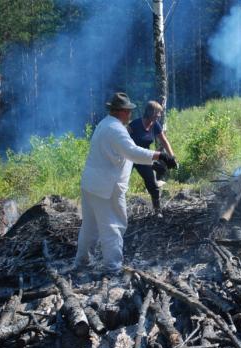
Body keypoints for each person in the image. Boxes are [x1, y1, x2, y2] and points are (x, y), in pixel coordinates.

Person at [75, 92, 177, 275]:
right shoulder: (116, 129)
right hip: (106, 187)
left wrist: (151, 163)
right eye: (128, 110)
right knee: (114, 225)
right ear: (121, 111)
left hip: (90, 184)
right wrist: (160, 155)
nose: (131, 114)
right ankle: (113, 268)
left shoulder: (105, 124)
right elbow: (131, 151)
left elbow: (120, 155)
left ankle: (82, 261)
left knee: (89, 227)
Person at [128, 101, 175, 213]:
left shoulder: (155, 125)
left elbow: (164, 141)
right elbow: (122, 140)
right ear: (152, 112)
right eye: (158, 113)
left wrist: (172, 156)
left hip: (144, 157)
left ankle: (157, 211)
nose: (159, 115)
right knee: (121, 182)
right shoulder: (134, 124)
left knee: (152, 184)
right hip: (129, 157)